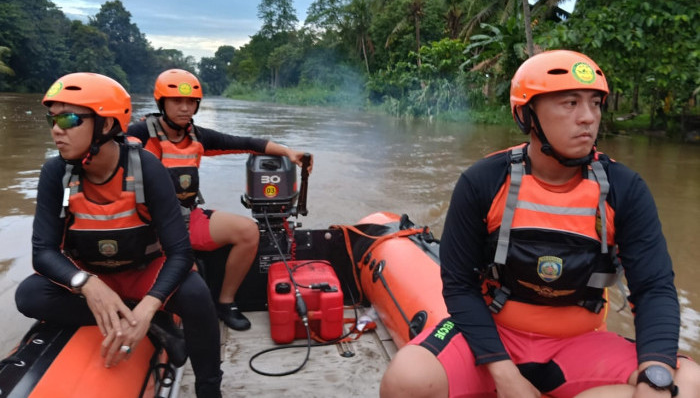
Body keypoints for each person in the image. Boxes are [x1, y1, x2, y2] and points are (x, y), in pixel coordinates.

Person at [380, 50, 700, 398]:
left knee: (689, 384)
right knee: (407, 379)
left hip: (580, 345)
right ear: (526, 114)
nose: (588, 118)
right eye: (570, 103)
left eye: (595, 103)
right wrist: (504, 373)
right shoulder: (483, 182)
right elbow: (459, 285)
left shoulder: (624, 189)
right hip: (495, 332)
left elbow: (653, 289)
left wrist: (655, 377)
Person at [15, 73, 223, 398]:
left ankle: (209, 389)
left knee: (197, 296)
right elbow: (43, 252)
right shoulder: (55, 173)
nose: (57, 129)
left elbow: (180, 252)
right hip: (94, 273)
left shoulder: (147, 168)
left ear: (107, 124)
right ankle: (153, 322)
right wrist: (88, 283)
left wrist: (151, 303)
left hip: (143, 272)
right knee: (29, 295)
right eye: (52, 119)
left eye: (69, 119)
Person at [127, 68, 313, 331]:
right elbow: (113, 153)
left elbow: (246, 142)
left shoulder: (197, 136)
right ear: (161, 103)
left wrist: (289, 152)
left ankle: (226, 302)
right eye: (176, 101)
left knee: (248, 232)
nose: (184, 108)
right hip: (149, 226)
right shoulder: (139, 135)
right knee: (181, 268)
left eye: (190, 102)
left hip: (186, 219)